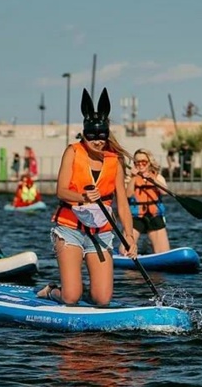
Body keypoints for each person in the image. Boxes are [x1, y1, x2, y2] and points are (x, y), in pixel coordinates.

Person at [37, 88, 136, 307]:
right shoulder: (72, 151)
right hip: (69, 229)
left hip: (101, 232)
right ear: (84, 134)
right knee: (71, 297)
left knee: (102, 299)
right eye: (92, 136)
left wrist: (129, 236)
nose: (97, 141)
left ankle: (84, 290)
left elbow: (122, 203)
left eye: (101, 136)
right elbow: (61, 191)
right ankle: (53, 291)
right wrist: (83, 196)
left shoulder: (115, 160)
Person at [125, 148, 171, 254]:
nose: (140, 165)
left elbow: (165, 192)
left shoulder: (157, 177)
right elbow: (128, 194)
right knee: (125, 250)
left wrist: (152, 179)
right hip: (136, 217)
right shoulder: (129, 178)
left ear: (149, 163)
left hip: (154, 216)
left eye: (143, 162)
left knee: (162, 251)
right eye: (137, 163)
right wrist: (134, 178)